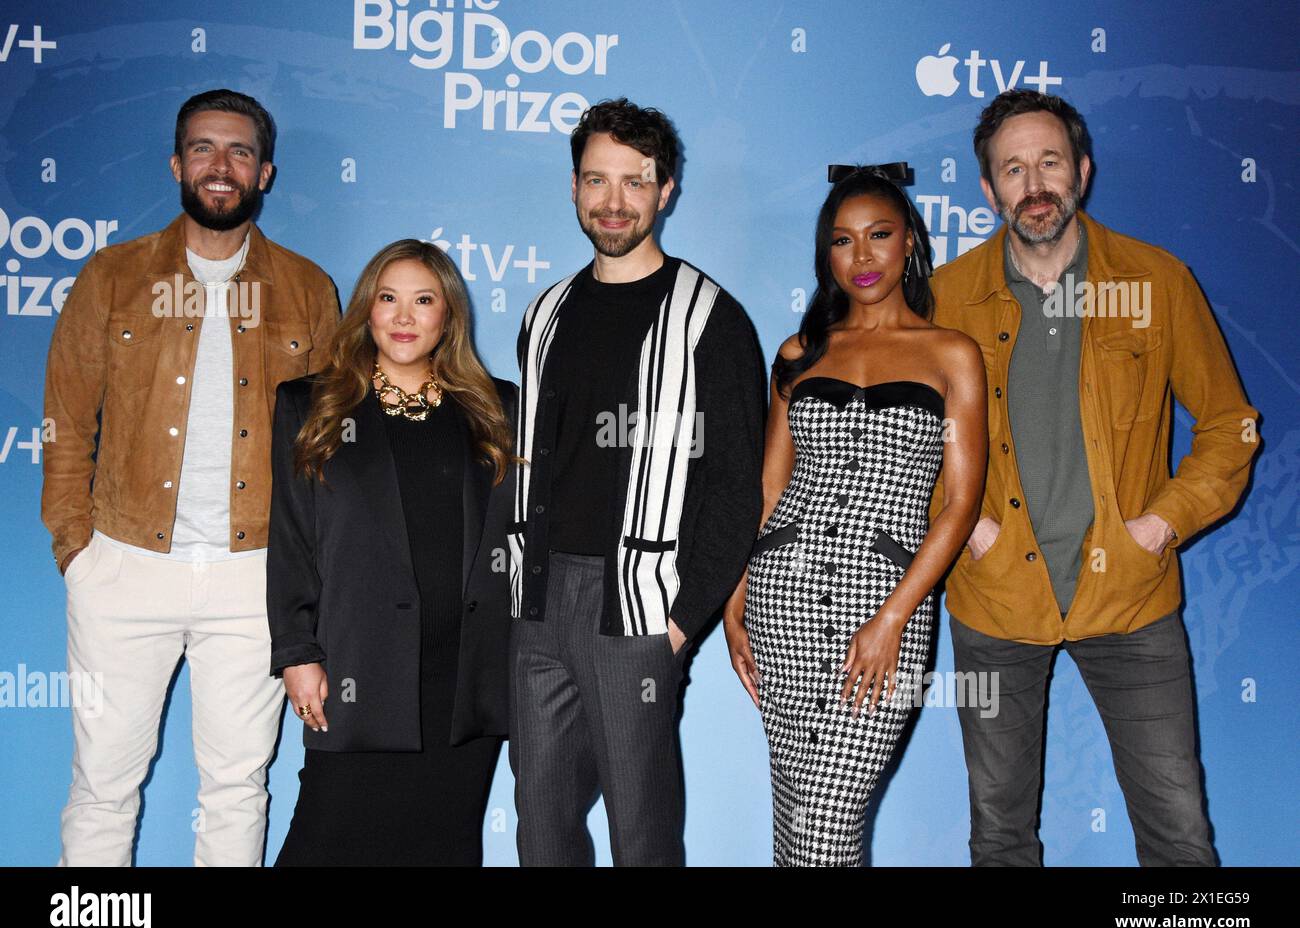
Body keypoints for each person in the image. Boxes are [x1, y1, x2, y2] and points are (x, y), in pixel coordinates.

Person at [929, 89, 1260, 866]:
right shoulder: (941, 299)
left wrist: (1160, 524)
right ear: (988, 189)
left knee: (1178, 835)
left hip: (1133, 599)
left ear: (1081, 170)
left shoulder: (1156, 281)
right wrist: (967, 526)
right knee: (1000, 838)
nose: (1033, 183)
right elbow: (901, 443)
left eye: (1049, 162)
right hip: (997, 598)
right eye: (1012, 169)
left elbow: (1230, 427)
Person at [42, 89, 339, 866]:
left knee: (238, 787)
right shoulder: (111, 277)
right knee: (104, 784)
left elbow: (327, 448)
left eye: (240, 151)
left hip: (253, 579)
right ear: (178, 164)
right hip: (124, 566)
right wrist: (79, 552)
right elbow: (68, 422)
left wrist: (307, 576)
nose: (221, 166)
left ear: (265, 172)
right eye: (204, 148)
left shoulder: (308, 290)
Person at [507, 97, 766, 866]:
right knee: (541, 832)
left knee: (643, 837)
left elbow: (734, 489)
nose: (613, 201)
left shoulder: (711, 318)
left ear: (666, 190)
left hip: (641, 610)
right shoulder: (545, 312)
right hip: (540, 604)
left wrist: (681, 624)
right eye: (596, 180)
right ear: (575, 188)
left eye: (634, 181)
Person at [723, 164, 987, 866]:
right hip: (783, 598)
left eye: (878, 236)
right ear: (826, 254)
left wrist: (894, 617)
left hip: (885, 604)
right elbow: (770, 487)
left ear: (909, 244)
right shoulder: (799, 354)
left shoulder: (951, 355)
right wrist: (733, 599)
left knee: (828, 821)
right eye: (842, 242)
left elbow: (960, 507)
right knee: (795, 809)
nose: (862, 257)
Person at [269, 239, 517, 867]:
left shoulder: (500, 408)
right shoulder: (312, 404)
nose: (404, 317)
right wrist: (298, 652)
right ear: (368, 310)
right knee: (325, 845)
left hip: (464, 678)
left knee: (443, 847)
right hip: (360, 669)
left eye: (423, 300)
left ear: (448, 316)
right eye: (388, 298)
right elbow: (292, 539)